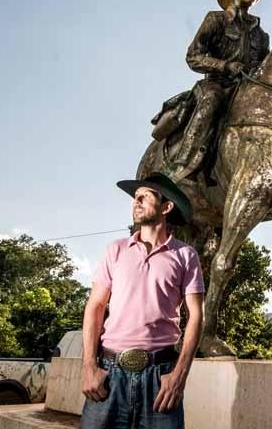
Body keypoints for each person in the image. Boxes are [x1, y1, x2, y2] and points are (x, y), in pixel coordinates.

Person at [80, 172, 204, 429]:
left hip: (160, 378)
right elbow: (95, 307)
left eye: (144, 198)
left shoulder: (185, 255)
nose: (135, 203)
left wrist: (179, 376)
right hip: (109, 375)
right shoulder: (115, 249)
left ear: (166, 207)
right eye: (134, 198)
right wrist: (89, 366)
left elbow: (196, 317)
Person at [170, 0, 272, 179]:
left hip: (246, 88)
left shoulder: (261, 35)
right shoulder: (215, 20)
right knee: (212, 101)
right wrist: (225, 66)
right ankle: (183, 163)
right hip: (215, 84)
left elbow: (267, 66)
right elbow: (193, 57)